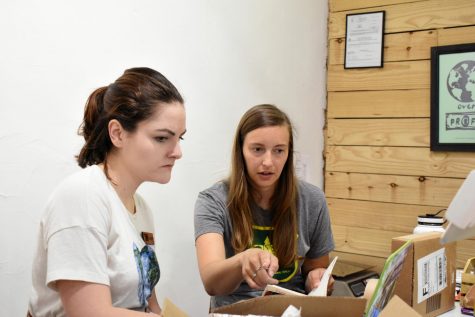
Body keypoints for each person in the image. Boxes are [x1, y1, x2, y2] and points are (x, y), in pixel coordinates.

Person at [28, 67, 186, 317]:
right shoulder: (82, 197)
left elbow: (148, 304)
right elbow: (89, 314)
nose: (177, 152)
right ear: (117, 133)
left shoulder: (141, 209)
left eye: (180, 138)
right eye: (162, 138)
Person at [194, 104, 335, 309]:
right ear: (241, 150)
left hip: (293, 311)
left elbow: (314, 271)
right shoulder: (213, 200)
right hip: (235, 311)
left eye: (279, 151)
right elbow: (211, 282)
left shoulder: (312, 200)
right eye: (258, 149)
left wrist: (317, 279)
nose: (268, 162)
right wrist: (244, 259)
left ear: (288, 153)